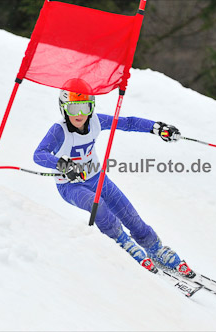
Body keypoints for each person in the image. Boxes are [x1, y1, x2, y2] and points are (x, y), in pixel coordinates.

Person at [33, 79, 193, 276]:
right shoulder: (59, 130)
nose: (80, 114)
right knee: (97, 205)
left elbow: (128, 123)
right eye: (74, 109)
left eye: (85, 107)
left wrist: (157, 128)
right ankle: (122, 241)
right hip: (70, 186)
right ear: (63, 108)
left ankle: (155, 248)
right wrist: (62, 164)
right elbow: (39, 154)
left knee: (130, 214)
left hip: (98, 179)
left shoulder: (96, 121)